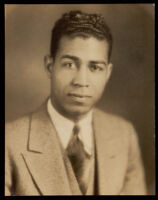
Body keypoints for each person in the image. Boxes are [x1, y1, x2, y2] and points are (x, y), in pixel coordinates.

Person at [5, 10, 147, 195]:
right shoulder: (10, 141)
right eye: (70, 64)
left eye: (95, 67)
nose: (81, 80)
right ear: (50, 66)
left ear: (107, 73)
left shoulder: (124, 135)